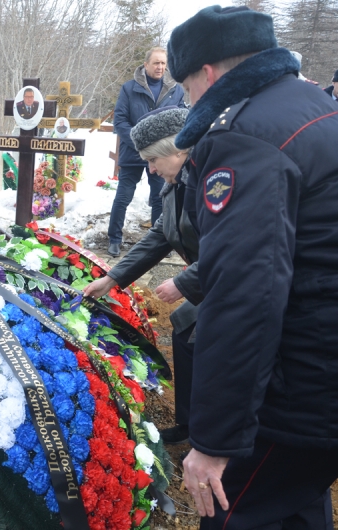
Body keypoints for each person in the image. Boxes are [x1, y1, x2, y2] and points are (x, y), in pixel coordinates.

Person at [168, 6, 338, 527]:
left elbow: (245, 293)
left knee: (236, 512)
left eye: (187, 86)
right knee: (298, 505)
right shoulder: (314, 106)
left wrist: (216, 440)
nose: (188, 100)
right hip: (323, 384)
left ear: (208, 74)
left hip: (291, 393)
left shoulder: (247, 138)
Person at [84, 107, 199, 445]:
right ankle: (190, 424)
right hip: (214, 284)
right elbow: (161, 235)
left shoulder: (207, 182)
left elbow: (238, 246)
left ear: (177, 150)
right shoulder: (177, 183)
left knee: (203, 340)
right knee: (185, 327)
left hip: (240, 288)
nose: (150, 169)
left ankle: (216, 438)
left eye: (152, 160)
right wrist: (112, 278)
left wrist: (184, 282)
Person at [108, 47, 186, 257]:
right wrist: (140, 143)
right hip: (133, 153)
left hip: (162, 156)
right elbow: (120, 120)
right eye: (156, 63)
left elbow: (179, 120)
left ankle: (160, 243)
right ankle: (114, 239)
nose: (160, 67)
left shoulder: (175, 90)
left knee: (161, 199)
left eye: (163, 63)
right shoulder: (129, 89)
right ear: (146, 65)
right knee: (123, 197)